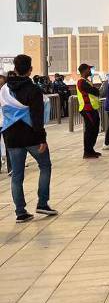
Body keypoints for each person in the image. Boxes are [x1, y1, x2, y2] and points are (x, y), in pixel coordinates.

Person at [0, 54, 56, 221]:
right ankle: (42, 204)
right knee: (45, 166)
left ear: (15, 69)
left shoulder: (4, 90)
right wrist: (42, 139)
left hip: (11, 136)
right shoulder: (34, 90)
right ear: (30, 70)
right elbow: (37, 117)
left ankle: (20, 212)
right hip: (31, 135)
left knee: (17, 175)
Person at [76, 63, 101, 159]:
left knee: (94, 129)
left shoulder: (87, 81)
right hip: (87, 109)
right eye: (89, 69)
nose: (90, 71)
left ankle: (91, 150)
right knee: (90, 130)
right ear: (84, 70)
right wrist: (97, 90)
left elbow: (94, 91)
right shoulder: (81, 82)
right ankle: (87, 152)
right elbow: (94, 91)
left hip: (92, 108)